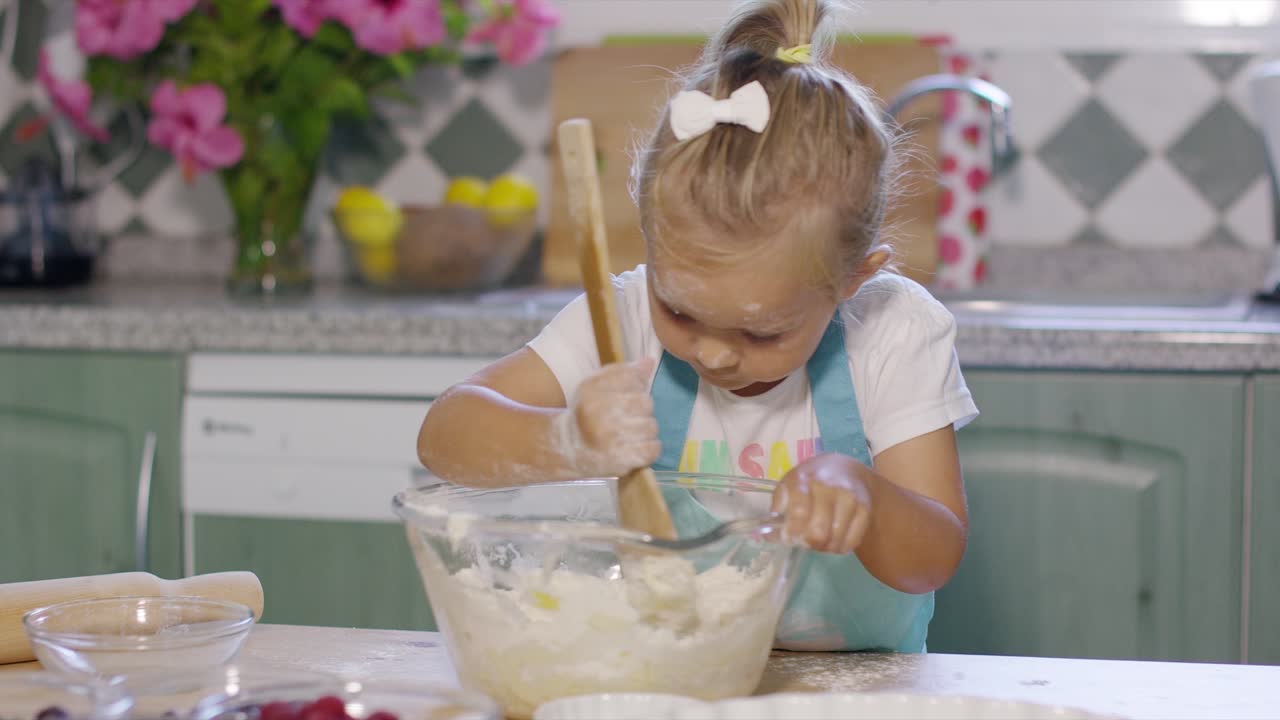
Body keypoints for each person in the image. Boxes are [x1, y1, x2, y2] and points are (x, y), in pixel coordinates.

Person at [417, 0, 978, 652]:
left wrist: (864, 496)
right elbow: (445, 437)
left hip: (858, 693)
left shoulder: (890, 333)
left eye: (761, 332)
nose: (712, 353)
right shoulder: (620, 320)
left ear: (853, 279)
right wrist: (565, 439)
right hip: (671, 680)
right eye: (679, 310)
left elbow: (934, 556)